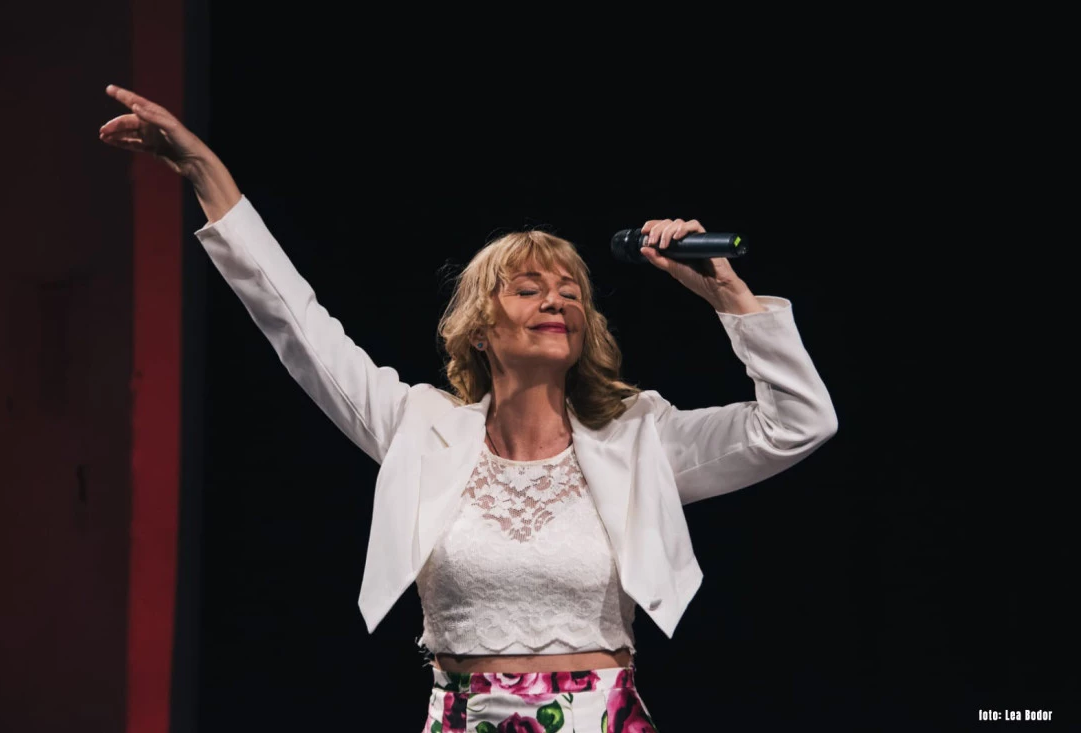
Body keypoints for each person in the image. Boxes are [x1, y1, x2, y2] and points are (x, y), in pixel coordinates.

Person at [99, 84, 838, 732]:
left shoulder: (639, 435)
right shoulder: (420, 427)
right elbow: (297, 322)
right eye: (528, 288)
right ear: (481, 329)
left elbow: (798, 424)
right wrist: (204, 169)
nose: (556, 300)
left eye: (571, 291)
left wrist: (730, 298)